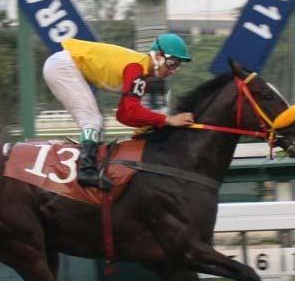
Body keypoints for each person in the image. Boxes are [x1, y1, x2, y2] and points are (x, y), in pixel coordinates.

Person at [43, 33, 195, 190]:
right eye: (172, 63)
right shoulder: (136, 68)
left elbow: (124, 114)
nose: (174, 70)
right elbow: (131, 111)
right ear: (158, 56)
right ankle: (86, 171)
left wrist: (147, 125)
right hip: (62, 65)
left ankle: (88, 166)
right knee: (92, 120)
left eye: (177, 66)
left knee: (94, 120)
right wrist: (168, 120)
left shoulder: (143, 73)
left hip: (62, 64)